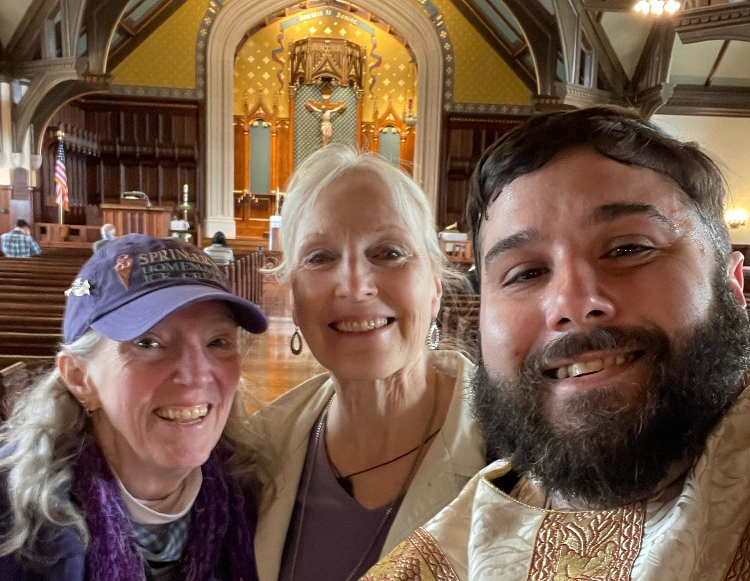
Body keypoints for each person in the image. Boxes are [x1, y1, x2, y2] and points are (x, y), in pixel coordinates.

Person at [363, 106, 750, 580]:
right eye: (526, 273)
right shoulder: (435, 563)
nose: (571, 302)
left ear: (732, 286)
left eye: (629, 249)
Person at [250, 145, 486, 581]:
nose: (355, 286)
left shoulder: (509, 451)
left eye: (389, 253)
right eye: (320, 257)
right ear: (293, 298)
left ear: (435, 288)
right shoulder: (256, 452)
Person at [0, 233, 268, 580]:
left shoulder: (260, 496)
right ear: (80, 377)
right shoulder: (12, 523)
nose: (196, 375)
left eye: (218, 342)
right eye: (148, 343)